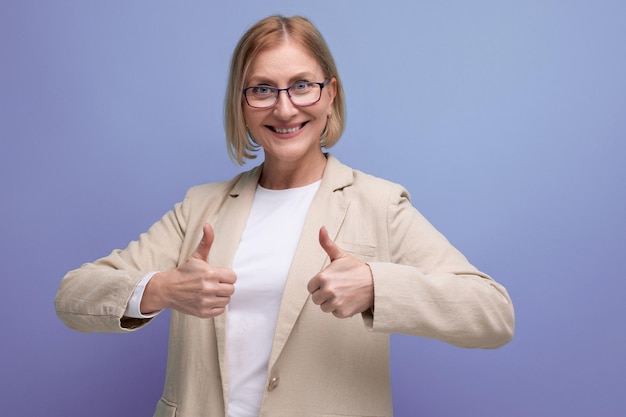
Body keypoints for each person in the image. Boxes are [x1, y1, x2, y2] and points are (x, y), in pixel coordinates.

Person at [55, 14, 515, 417]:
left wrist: (377, 285)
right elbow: (74, 295)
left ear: (330, 93)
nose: (284, 107)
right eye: (262, 90)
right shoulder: (201, 206)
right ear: (242, 103)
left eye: (301, 85)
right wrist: (162, 288)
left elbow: (494, 314)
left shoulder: (380, 203)